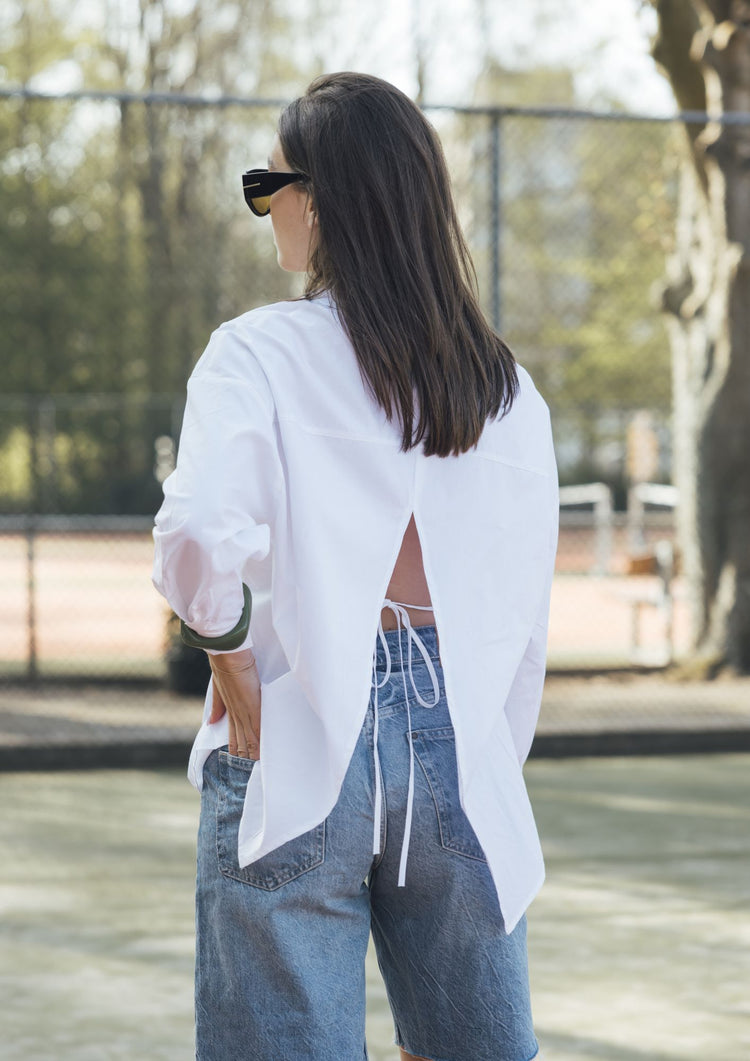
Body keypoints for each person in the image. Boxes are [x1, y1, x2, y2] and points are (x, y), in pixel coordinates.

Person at [152, 71, 558, 1061]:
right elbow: (523, 611)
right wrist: (486, 750)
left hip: (296, 712)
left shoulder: (257, 351)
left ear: (323, 200)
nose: (264, 208)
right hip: (459, 734)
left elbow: (197, 528)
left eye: (268, 185)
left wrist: (226, 653)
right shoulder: (505, 387)